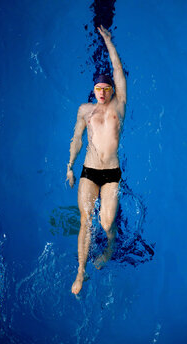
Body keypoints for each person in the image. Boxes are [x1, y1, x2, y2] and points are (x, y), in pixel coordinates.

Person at [66, 25, 127, 295]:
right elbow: (77, 138)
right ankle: (80, 272)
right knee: (85, 221)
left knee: (106, 223)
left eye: (106, 88)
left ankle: (110, 249)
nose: (102, 92)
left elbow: (117, 69)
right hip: (89, 170)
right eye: (98, 88)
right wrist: (69, 166)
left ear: (113, 89)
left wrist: (109, 43)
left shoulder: (119, 105)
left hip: (111, 173)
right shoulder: (85, 110)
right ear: (94, 89)